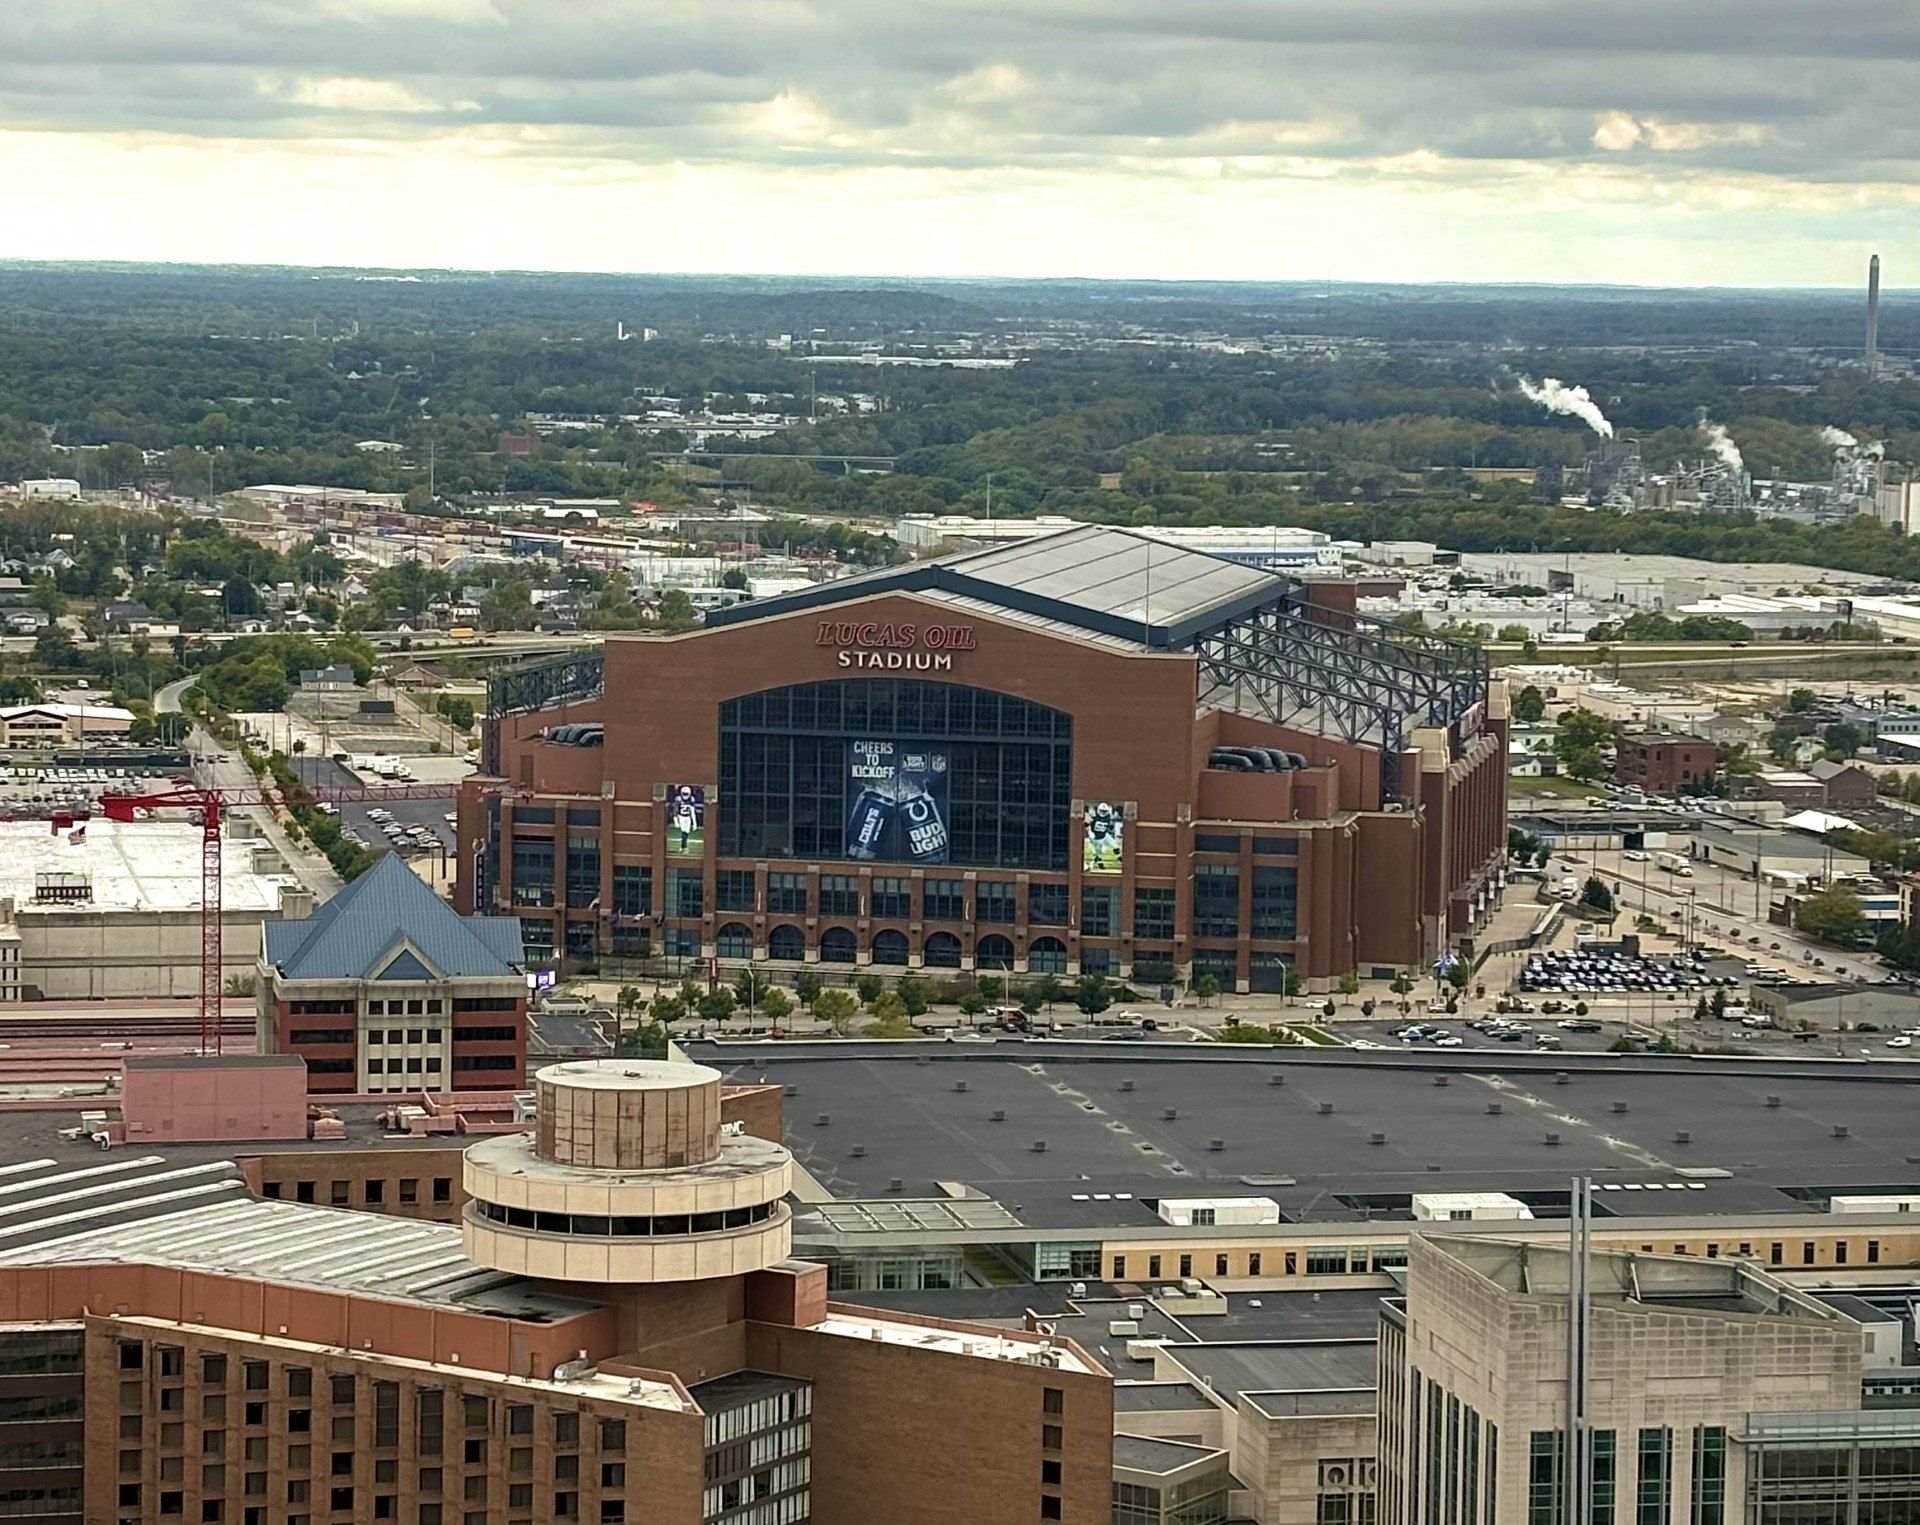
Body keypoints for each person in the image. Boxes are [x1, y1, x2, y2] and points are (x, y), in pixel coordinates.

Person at [670, 785, 702, 853]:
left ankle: (683, 847)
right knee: (684, 831)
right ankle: (684, 847)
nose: (685, 795)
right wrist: (676, 819)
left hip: (687, 817)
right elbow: (676, 810)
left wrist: (694, 822)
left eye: (686, 794)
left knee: (686, 832)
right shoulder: (678, 799)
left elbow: (692, 811)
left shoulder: (691, 799)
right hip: (681, 816)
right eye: (684, 794)